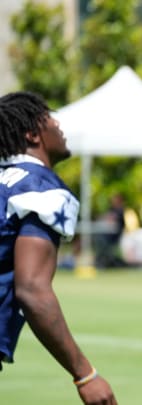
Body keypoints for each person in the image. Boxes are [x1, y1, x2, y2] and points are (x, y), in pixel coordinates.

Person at [0, 91, 117, 404]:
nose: (59, 124)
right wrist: (85, 374)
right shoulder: (39, 186)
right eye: (50, 117)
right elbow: (32, 289)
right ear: (32, 132)